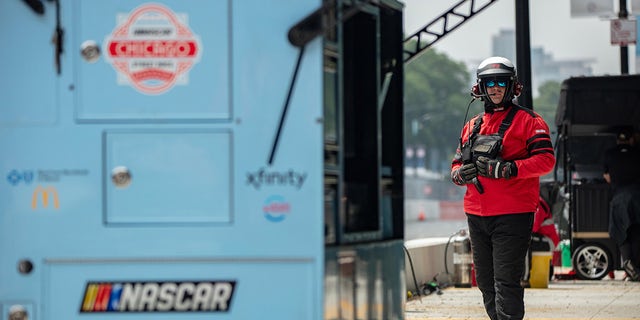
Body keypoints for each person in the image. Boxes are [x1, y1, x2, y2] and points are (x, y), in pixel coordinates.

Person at [450, 56, 555, 320]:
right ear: (480, 88)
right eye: (489, 83)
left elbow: (546, 161)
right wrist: (460, 174)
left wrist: (510, 169)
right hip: (476, 214)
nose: (495, 88)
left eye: (500, 82)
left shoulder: (531, 122)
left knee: (506, 283)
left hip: (513, 214)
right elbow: (454, 165)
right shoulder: (471, 127)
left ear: (512, 87)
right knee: (485, 284)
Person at [603, 128, 640, 281]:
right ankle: (636, 268)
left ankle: (627, 262)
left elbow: (607, 177)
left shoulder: (609, 154)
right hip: (637, 196)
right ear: (631, 139)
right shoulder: (638, 153)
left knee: (620, 230)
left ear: (618, 140)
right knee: (636, 231)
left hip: (619, 197)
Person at [521, 195, 560, 287]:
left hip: (548, 241)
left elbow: (533, 228)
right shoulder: (532, 202)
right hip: (543, 238)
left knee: (523, 242)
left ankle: (524, 279)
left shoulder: (537, 205)